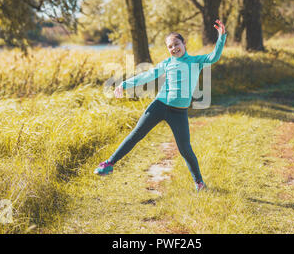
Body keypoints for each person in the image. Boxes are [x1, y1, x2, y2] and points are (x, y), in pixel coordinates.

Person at [94, 20, 227, 192]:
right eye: (170, 46)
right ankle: (109, 163)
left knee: (185, 149)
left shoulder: (196, 61)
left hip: (179, 113)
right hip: (159, 105)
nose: (174, 48)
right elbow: (147, 76)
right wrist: (124, 84)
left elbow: (214, 56)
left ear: (184, 43)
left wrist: (221, 37)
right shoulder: (167, 63)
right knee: (136, 134)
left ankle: (199, 183)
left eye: (176, 44)